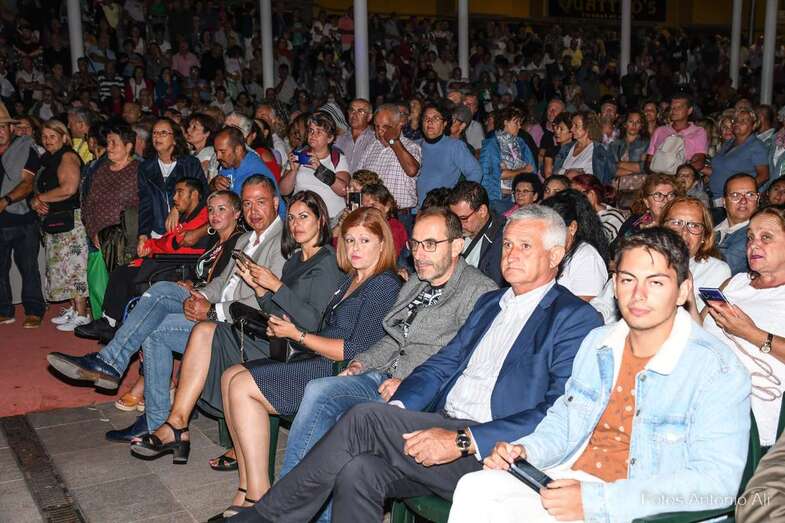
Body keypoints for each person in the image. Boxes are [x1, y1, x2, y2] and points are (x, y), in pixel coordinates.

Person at [231, 205, 603, 523]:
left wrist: (464, 440)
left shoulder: (573, 318)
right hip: (443, 419)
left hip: (496, 449)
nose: (511, 254)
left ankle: (267, 517)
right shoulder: (492, 304)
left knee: (362, 417)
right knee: (359, 470)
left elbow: (556, 411)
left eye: (525, 246)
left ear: (555, 255)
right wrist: (399, 409)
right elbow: (441, 365)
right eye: (507, 244)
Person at [450, 228, 751, 523]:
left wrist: (597, 502)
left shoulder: (716, 369)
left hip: (636, 507)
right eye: (628, 280)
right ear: (615, 286)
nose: (638, 295)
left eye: (656, 282)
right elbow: (565, 421)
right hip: (570, 480)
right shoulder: (599, 343)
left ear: (683, 291)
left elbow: (717, 484)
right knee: (476, 488)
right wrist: (526, 450)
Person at [278, 207, 497, 522]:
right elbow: (393, 339)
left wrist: (410, 385)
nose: (419, 254)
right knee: (319, 390)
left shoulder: (478, 292)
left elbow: (462, 360)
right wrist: (360, 363)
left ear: (457, 245)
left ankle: (300, 512)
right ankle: (289, 501)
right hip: (382, 375)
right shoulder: (417, 283)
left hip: (421, 393)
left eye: (430, 244)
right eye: (415, 244)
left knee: (341, 419)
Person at [46, 176, 286, 441]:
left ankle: (145, 407)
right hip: (216, 308)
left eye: (260, 202)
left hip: (239, 328)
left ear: (275, 203)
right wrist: (200, 295)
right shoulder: (247, 240)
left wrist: (211, 310)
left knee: (154, 327)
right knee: (160, 290)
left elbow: (264, 302)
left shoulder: (281, 243)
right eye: (248, 203)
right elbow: (222, 282)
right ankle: (114, 367)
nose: (253, 210)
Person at [130, 191, 345, 469]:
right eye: (292, 218)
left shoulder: (326, 262)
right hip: (275, 336)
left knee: (208, 332)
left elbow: (313, 322)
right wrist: (261, 290)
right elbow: (276, 310)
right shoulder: (296, 261)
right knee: (204, 330)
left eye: (304, 217)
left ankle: (179, 426)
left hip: (301, 351)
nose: (295, 224)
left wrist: (275, 286)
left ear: (321, 220)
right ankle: (177, 422)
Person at [209, 207, 401, 517]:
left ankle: (259, 494)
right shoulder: (352, 279)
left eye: (364, 241)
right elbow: (321, 327)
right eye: (350, 240)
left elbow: (356, 350)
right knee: (231, 376)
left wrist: (298, 335)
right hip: (316, 357)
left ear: (382, 244)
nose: (355, 248)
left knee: (242, 386)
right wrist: (278, 313)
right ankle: (246, 489)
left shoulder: (383, 285)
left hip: (337, 371)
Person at [76, 177, 211, 341]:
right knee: (124, 269)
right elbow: (169, 242)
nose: (174, 197)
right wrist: (149, 249)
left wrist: (150, 248)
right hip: (169, 260)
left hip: (182, 266)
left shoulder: (203, 216)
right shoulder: (186, 216)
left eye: (180, 192)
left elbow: (174, 243)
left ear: (194, 194)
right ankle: (112, 323)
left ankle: (111, 323)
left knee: (124, 273)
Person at [702, 206, 785, 447]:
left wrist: (750, 333)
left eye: (766, 237)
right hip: (702, 398)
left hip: (751, 417)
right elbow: (696, 331)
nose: (753, 245)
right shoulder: (734, 283)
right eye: (750, 237)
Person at [29, 120, 89, 331]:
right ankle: (74, 309)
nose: (47, 140)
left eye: (52, 136)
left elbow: (69, 188)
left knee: (75, 267)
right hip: (58, 221)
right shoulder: (50, 159)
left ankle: (82, 315)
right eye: (44, 137)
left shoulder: (67, 156)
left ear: (64, 137)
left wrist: (39, 198)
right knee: (64, 267)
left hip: (71, 222)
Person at [0, 102, 44, 328]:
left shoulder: (26, 148)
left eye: (2, 127)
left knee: (28, 268)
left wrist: (5, 201)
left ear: (11, 129)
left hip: (23, 220)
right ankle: (4, 310)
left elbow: (27, 184)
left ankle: (34, 310)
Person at [80, 122, 139, 273]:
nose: (109, 147)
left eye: (114, 143)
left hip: (126, 243)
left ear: (128, 146)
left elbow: (144, 206)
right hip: (98, 240)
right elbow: (88, 204)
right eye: (108, 143)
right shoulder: (101, 170)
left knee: (122, 282)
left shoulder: (139, 170)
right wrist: (94, 233)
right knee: (100, 285)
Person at [354, 104, 421, 231]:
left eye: (386, 127)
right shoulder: (372, 147)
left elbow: (412, 170)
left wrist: (393, 141)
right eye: (377, 126)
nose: (380, 131)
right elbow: (358, 178)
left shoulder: (411, 147)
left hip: (399, 216)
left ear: (398, 125)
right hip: (371, 214)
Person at [138, 117, 206, 241]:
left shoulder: (190, 164)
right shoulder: (145, 168)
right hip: (157, 231)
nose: (157, 136)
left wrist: (177, 208)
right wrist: (143, 234)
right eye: (154, 133)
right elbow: (145, 204)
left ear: (175, 139)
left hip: (187, 229)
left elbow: (201, 195)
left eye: (163, 133)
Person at [662, 197, 731, 313]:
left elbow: (702, 322)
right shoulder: (644, 261)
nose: (684, 232)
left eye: (694, 225)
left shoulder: (716, 270)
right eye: (676, 223)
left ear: (704, 236)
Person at [279, 111, 350, 222]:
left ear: (330, 138)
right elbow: (283, 191)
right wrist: (293, 171)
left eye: (319, 132)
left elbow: (344, 190)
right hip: (302, 218)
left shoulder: (337, 158)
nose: (313, 135)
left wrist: (321, 169)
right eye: (311, 130)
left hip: (331, 220)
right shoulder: (299, 155)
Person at [542, 189, 609, 301]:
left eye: (554, 230)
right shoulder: (548, 249)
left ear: (572, 228)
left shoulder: (587, 257)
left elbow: (582, 307)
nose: (548, 236)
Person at [418, 103, 482, 209]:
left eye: (436, 118)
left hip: (442, 209)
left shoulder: (454, 146)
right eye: (426, 118)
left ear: (444, 124)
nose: (429, 122)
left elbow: (475, 172)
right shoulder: (414, 145)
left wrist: (459, 199)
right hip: (416, 211)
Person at [212, 126, 283, 219]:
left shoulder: (255, 175)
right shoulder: (229, 163)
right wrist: (214, 183)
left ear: (238, 150)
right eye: (216, 152)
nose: (218, 157)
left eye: (222, 152)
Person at [479, 107, 536, 215]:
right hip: (499, 200)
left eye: (520, 123)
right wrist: (523, 170)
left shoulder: (521, 144)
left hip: (519, 199)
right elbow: (497, 174)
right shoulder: (492, 144)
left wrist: (510, 172)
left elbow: (532, 170)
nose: (519, 126)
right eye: (516, 122)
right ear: (505, 122)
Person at [707, 107, 769, 206]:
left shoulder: (756, 146)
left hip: (736, 200)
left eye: (743, 120)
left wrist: (742, 192)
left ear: (753, 125)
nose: (737, 123)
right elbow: (720, 170)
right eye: (735, 120)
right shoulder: (728, 143)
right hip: (716, 197)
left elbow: (764, 175)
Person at [447, 181, 505, 286]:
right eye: (454, 218)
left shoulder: (502, 241)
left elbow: (491, 287)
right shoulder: (454, 229)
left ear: (482, 211)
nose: (457, 224)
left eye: (463, 218)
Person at [645, 92, 708, 175]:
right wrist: (660, 176)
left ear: (689, 110)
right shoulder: (660, 131)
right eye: (672, 107)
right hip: (659, 177)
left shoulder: (698, 132)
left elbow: (699, 161)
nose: (674, 110)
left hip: (683, 178)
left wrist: (678, 174)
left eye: (679, 107)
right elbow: (649, 161)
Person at [615, 174, 683, 246]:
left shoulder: (683, 222)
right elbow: (615, 248)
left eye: (670, 195)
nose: (665, 200)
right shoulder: (635, 222)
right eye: (658, 195)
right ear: (647, 202)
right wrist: (639, 232)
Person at [715, 173, 759, 275]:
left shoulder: (757, 237)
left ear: (758, 199)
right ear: (724, 202)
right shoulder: (709, 227)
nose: (743, 201)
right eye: (735, 195)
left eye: (750, 195)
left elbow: (720, 273)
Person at [553, 111, 613, 184]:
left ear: (588, 128)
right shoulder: (566, 148)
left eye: (576, 126)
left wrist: (574, 173)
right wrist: (569, 172)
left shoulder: (599, 150)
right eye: (572, 125)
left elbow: (604, 177)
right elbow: (555, 171)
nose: (571, 129)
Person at [571, 174, 627, 243]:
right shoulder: (576, 215)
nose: (571, 200)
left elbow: (597, 243)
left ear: (591, 194)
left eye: (575, 195)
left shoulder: (613, 216)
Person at [361, 183, 408, 257]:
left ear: (387, 207)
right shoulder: (364, 224)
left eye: (373, 205)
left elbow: (389, 256)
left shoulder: (394, 227)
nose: (367, 210)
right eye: (364, 206)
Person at [334, 98, 375, 173]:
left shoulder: (374, 139)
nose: (354, 114)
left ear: (369, 117)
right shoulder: (338, 139)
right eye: (352, 110)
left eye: (360, 111)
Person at [185, 112, 220, 180]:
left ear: (206, 133)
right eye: (189, 126)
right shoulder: (192, 152)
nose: (188, 130)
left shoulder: (209, 152)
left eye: (194, 128)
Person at [541, 112, 572, 179]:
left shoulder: (577, 149)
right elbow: (548, 175)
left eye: (561, 129)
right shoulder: (551, 151)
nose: (557, 132)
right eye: (556, 128)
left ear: (571, 132)